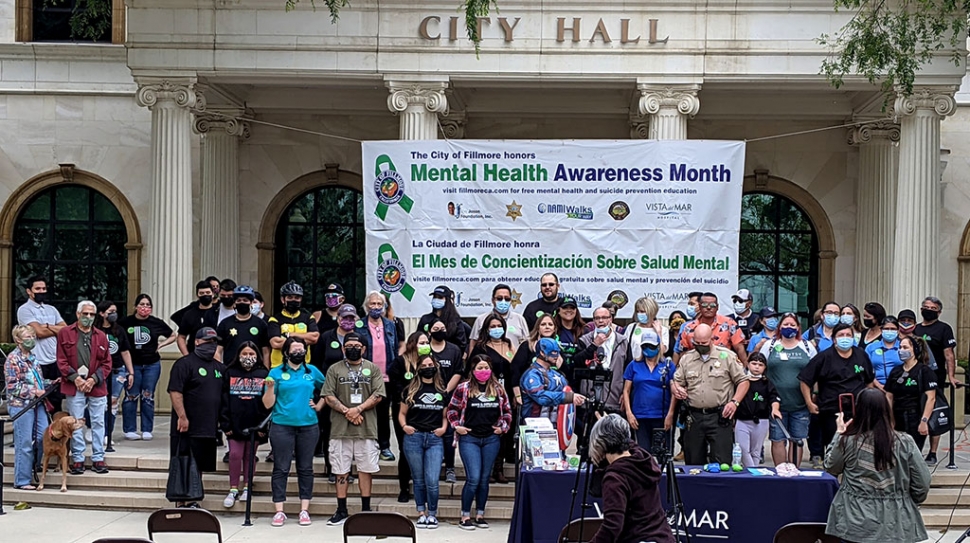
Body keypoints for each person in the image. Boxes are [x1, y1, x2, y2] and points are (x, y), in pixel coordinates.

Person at [823, 389, 931, 543]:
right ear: (886, 410)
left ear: (858, 410)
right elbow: (922, 482)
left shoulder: (847, 441)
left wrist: (839, 433)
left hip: (855, 519)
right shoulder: (905, 442)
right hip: (896, 520)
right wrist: (905, 500)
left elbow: (831, 467)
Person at [322, 332, 387, 526]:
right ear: (343, 348)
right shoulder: (335, 369)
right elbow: (328, 395)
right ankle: (341, 509)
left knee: (365, 469)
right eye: (349, 345)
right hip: (340, 430)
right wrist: (346, 411)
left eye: (357, 346)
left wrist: (357, 409)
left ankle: (365, 509)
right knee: (341, 471)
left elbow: (379, 394)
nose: (353, 348)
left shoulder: (372, 369)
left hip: (365, 429)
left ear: (364, 349)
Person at [262, 337, 326, 526]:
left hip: (308, 425)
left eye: (302, 349)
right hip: (282, 425)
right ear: (286, 352)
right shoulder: (275, 373)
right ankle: (279, 510)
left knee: (305, 468)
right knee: (281, 467)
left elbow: (328, 390)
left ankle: (304, 509)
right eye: (295, 349)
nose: (298, 353)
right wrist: (269, 389)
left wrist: (319, 404)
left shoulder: (312, 371)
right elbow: (267, 404)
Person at [447, 354, 513, 531]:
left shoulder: (498, 389)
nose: (483, 371)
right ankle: (465, 515)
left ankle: (480, 514)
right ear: (473, 370)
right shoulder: (463, 388)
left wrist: (503, 427)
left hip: (491, 438)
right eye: (479, 368)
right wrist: (456, 426)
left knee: (484, 479)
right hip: (470, 438)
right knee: (474, 477)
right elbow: (452, 409)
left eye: (486, 367)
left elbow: (507, 411)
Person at [587, 414, 676, 543]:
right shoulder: (643, 460)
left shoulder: (615, 478)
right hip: (663, 537)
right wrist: (612, 427)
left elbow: (612, 526)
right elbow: (629, 443)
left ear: (599, 443)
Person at [671, 323, 749, 465]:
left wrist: (735, 402)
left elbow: (744, 381)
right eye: (697, 343)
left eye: (704, 343)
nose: (701, 346)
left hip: (719, 415)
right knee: (693, 461)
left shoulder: (727, 356)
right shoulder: (687, 358)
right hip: (694, 416)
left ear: (712, 339)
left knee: (722, 461)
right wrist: (676, 388)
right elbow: (676, 381)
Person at [167, 327, 227, 507]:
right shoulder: (184, 364)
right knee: (184, 462)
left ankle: (194, 497)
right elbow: (175, 392)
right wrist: (182, 416)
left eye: (214, 342)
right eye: (208, 341)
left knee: (199, 465)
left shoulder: (220, 368)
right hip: (186, 425)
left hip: (208, 427)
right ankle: (181, 501)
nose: (211, 345)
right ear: (197, 342)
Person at [799, 323, 875, 452]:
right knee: (834, 444)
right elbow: (804, 380)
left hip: (857, 409)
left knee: (858, 444)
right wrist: (809, 403)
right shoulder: (824, 357)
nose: (845, 338)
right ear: (834, 339)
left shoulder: (861, 355)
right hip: (831, 408)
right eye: (841, 335)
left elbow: (869, 381)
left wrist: (868, 402)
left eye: (848, 335)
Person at [57, 301, 113, 475]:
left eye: (91, 314)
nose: (88, 317)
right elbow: (61, 360)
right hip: (74, 385)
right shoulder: (65, 333)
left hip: (96, 385)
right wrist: (75, 378)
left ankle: (98, 457)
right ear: (77, 314)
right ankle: (78, 459)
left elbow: (107, 363)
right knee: (76, 422)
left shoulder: (102, 336)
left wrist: (93, 379)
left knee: (98, 421)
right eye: (85, 313)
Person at [758, 312, 817, 466]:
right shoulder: (769, 345)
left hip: (801, 403)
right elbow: (758, 367)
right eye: (785, 325)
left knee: (797, 440)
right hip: (776, 404)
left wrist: (813, 397)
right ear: (779, 327)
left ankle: (794, 473)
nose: (788, 327)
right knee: (778, 439)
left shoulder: (807, 346)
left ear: (798, 327)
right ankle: (781, 473)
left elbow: (815, 372)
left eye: (792, 325)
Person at [398, 355, 449, 529]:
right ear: (418, 368)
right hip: (414, 438)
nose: (428, 367)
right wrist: (404, 426)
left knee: (432, 480)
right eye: (424, 365)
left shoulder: (442, 391)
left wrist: (443, 428)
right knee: (418, 479)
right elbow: (402, 413)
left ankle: (433, 513)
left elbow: (445, 415)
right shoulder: (409, 390)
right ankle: (421, 512)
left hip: (435, 439)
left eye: (431, 364)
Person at [119, 294, 176, 441]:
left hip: (152, 364)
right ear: (136, 306)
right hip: (133, 364)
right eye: (142, 304)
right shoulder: (126, 322)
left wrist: (161, 345)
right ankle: (130, 429)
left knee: (147, 396)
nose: (145, 308)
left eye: (148, 305)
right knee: (131, 395)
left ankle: (146, 429)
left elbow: (173, 335)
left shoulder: (156, 322)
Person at [311, 302, 360, 475]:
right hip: (329, 391)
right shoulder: (326, 337)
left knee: (351, 432)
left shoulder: (360, 337)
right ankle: (331, 468)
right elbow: (316, 363)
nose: (347, 321)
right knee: (329, 431)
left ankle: (348, 470)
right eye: (344, 317)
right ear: (338, 318)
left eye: (351, 318)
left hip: (352, 391)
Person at [220, 342, 270, 508]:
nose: (248, 357)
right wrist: (225, 424)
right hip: (234, 424)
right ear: (238, 355)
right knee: (235, 454)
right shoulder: (230, 372)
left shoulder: (264, 373)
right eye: (245, 354)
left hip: (255, 425)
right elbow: (224, 400)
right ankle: (233, 488)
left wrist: (263, 427)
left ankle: (248, 486)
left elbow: (267, 403)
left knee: (250, 456)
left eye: (251, 354)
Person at [469, 313, 515, 484]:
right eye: (492, 326)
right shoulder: (481, 347)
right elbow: (471, 370)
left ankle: (499, 469)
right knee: (488, 430)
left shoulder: (509, 345)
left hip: (506, 393)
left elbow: (515, 367)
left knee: (503, 431)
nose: (497, 329)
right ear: (487, 329)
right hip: (486, 394)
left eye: (499, 326)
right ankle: (486, 470)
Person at [914, 295, 959, 464]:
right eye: (927, 307)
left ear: (939, 312)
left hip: (935, 378)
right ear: (921, 309)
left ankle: (932, 452)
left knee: (934, 413)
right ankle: (916, 450)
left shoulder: (943, 329)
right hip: (916, 377)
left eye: (933, 309)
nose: (929, 311)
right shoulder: (916, 329)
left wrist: (952, 376)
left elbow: (949, 355)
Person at [355, 291, 399, 462]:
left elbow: (394, 350)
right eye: (372, 304)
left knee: (382, 414)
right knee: (364, 411)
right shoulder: (359, 325)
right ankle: (364, 447)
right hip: (365, 376)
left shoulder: (390, 325)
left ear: (384, 307)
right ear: (366, 306)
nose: (375, 307)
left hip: (386, 377)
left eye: (379, 304)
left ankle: (384, 446)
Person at [5, 325, 49, 489]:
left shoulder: (33, 358)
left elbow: (38, 380)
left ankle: (34, 465)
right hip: (21, 406)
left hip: (38, 404)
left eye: (32, 336)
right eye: (27, 337)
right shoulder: (12, 359)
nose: (32, 339)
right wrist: (33, 391)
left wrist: (50, 384)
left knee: (42, 436)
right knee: (24, 442)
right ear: (18, 340)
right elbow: (12, 387)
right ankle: (22, 480)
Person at [386, 331, 428, 502]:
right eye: (422, 342)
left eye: (427, 342)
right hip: (404, 411)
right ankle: (404, 487)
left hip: (426, 411)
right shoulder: (399, 362)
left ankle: (424, 486)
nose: (425, 345)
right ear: (412, 344)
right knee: (405, 450)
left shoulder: (429, 362)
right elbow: (395, 387)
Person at [17, 275, 67, 413]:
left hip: (54, 360)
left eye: (43, 288)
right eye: (37, 288)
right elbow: (38, 332)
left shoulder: (51, 309)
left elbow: (65, 329)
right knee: (38, 399)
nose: (41, 291)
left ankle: (54, 432)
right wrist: (53, 329)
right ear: (29, 291)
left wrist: (45, 326)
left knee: (56, 400)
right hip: (37, 361)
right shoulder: (25, 309)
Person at [622, 328, 675, 453]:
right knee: (642, 452)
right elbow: (626, 391)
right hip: (640, 415)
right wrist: (629, 413)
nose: (648, 349)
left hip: (661, 415)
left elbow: (674, 391)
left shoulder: (667, 365)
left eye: (651, 346)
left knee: (663, 453)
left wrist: (670, 414)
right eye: (645, 346)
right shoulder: (634, 365)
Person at [573, 304, 630, 416]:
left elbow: (628, 369)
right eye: (597, 318)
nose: (601, 321)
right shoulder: (585, 340)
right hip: (589, 401)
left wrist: (625, 393)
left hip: (614, 399)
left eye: (604, 318)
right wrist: (594, 345)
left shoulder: (623, 341)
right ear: (593, 320)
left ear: (611, 319)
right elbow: (577, 361)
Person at [885, 336, 938, 453]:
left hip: (915, 415)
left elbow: (931, 398)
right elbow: (889, 396)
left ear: (914, 349)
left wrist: (924, 421)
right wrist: (890, 418)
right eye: (900, 347)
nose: (901, 350)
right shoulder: (896, 371)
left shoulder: (924, 371)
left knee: (912, 452)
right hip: (898, 415)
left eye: (905, 347)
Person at [95, 301, 133, 448]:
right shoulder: (95, 330)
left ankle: (107, 433)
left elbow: (125, 351)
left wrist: (131, 372)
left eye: (115, 311)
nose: (113, 314)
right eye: (110, 312)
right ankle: (96, 429)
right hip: (99, 372)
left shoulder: (119, 330)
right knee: (98, 402)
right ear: (102, 313)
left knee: (113, 402)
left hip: (117, 370)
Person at [521, 338, 586, 424]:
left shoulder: (557, 375)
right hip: (533, 426)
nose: (557, 356)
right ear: (542, 353)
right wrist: (569, 397)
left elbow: (567, 390)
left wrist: (575, 398)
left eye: (558, 352)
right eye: (553, 353)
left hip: (555, 426)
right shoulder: (532, 375)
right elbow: (541, 397)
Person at [734, 352, 781, 466]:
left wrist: (775, 409)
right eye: (754, 363)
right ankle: (753, 472)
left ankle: (753, 476)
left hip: (761, 421)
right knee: (743, 450)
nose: (756, 367)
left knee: (756, 451)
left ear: (765, 367)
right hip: (742, 421)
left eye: (760, 365)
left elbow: (774, 398)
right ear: (748, 364)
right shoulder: (741, 382)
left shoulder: (767, 383)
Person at [675, 293, 747, 366]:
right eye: (704, 305)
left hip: (723, 369)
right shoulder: (688, 328)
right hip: (696, 370)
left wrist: (746, 368)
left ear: (717, 307)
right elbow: (684, 353)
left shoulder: (729, 324)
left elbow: (739, 348)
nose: (709, 307)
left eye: (712, 305)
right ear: (699, 307)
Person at [268, 280, 319, 369]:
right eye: (290, 297)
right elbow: (275, 343)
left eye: (297, 297)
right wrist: (303, 340)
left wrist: (291, 335)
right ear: (283, 299)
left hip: (303, 366)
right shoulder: (275, 319)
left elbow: (314, 337)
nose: (293, 300)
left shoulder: (308, 317)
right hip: (279, 366)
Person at [510, 313, 558, 407]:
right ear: (537, 328)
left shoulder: (557, 348)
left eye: (550, 324)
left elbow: (564, 370)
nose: (547, 327)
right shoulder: (527, 345)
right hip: (530, 395)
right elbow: (515, 369)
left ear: (554, 329)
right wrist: (517, 394)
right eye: (543, 324)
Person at [216, 285, 270, 367]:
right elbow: (218, 350)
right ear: (234, 303)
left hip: (255, 371)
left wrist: (266, 372)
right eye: (239, 300)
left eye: (245, 300)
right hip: (230, 370)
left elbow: (266, 351)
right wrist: (220, 370)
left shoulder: (261, 324)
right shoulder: (224, 324)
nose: (242, 303)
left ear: (251, 303)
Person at [469, 284, 530, 350]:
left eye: (507, 299)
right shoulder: (481, 319)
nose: (503, 301)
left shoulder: (519, 319)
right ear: (493, 300)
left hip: (514, 358)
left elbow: (527, 342)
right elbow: (473, 343)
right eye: (499, 298)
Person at [417, 285, 468, 352]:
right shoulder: (425, 319)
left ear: (447, 300)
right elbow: (418, 339)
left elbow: (461, 343)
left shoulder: (455, 320)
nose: (436, 300)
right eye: (435, 297)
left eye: (440, 297)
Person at [176, 281, 216, 355]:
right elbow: (181, 337)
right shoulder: (189, 314)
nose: (205, 295)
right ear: (197, 295)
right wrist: (187, 356)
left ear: (213, 294)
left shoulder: (218, 312)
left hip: (215, 355)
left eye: (208, 292)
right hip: (194, 354)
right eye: (202, 293)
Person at [624, 297, 667, 362]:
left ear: (651, 312)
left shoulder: (663, 329)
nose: (639, 314)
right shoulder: (631, 327)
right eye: (637, 311)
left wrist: (659, 333)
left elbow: (662, 351)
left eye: (642, 311)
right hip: (634, 365)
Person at [865, 316, 902, 388]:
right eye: (886, 329)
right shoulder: (871, 347)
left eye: (893, 329)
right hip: (875, 387)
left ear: (898, 331)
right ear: (881, 330)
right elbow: (866, 370)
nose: (889, 331)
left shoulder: (903, 346)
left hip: (900, 387)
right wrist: (879, 386)